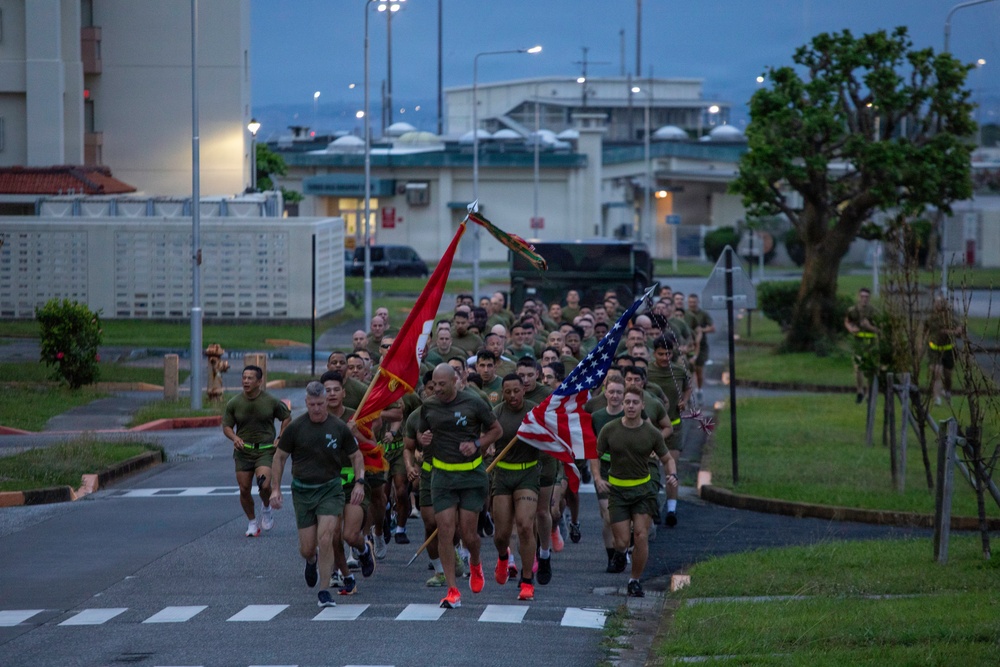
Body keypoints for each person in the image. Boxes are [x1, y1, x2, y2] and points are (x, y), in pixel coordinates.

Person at [269, 381, 366, 607]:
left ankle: (324, 590)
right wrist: (275, 488)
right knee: (307, 548)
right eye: (312, 404)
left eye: (320, 404)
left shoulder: (338, 427)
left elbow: (356, 456)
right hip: (303, 492)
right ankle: (310, 560)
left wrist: (359, 482)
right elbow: (279, 457)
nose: (317, 409)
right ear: (306, 403)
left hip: (330, 489)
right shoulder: (295, 428)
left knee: (326, 538)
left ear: (326, 402)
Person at [419, 364, 503, 609]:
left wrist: (477, 443)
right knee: (445, 530)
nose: (437, 389)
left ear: (455, 381)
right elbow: (423, 436)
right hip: (442, 477)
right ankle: (452, 590)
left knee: (469, 535)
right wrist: (425, 441)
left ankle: (475, 564)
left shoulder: (474, 402)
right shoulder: (429, 405)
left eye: (442, 384)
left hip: (471, 476)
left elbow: (496, 430)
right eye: (434, 384)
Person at [592, 386, 678, 598]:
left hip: (643, 490)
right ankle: (620, 553)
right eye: (627, 402)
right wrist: (597, 478)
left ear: (642, 405)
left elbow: (667, 459)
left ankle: (635, 580)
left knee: (641, 535)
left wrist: (672, 475)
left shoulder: (651, 433)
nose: (630, 406)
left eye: (634, 402)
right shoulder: (610, 429)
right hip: (618, 491)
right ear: (622, 405)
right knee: (621, 541)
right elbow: (594, 455)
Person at [222, 365, 292, 537]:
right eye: (244, 377)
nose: (246, 381)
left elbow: (287, 417)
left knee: (264, 485)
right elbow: (227, 426)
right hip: (243, 451)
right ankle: (252, 522)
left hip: (265, 451)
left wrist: (280, 438)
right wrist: (235, 438)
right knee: (244, 488)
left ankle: (266, 508)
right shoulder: (234, 403)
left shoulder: (271, 401)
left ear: (260, 381)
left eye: (250, 378)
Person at [489, 374, 539, 601]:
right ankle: (503, 557)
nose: (512, 396)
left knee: (525, 526)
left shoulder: (535, 412)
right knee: (501, 534)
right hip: (502, 474)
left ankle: (527, 581)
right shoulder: (496, 413)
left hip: (528, 472)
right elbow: (484, 438)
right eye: (507, 392)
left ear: (524, 390)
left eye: (516, 391)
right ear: (502, 392)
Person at [589, 377, 625, 571]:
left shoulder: (632, 415)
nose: (615, 396)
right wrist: (597, 478)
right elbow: (594, 450)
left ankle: (622, 548)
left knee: (624, 518)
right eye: (611, 392)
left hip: (627, 471)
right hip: (604, 470)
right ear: (605, 392)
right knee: (608, 516)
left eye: (619, 392)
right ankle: (613, 555)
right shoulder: (598, 417)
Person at [844, 287, 879, 404]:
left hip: (870, 343)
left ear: (869, 298)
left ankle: (869, 393)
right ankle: (860, 391)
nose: (864, 299)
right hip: (858, 342)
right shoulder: (853, 310)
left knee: (869, 369)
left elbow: (881, 329)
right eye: (862, 296)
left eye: (866, 297)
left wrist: (870, 327)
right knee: (858, 367)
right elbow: (847, 321)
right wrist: (851, 329)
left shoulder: (874, 312)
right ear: (859, 297)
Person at [926, 295, 961, 405]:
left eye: (940, 302)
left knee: (947, 375)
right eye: (936, 302)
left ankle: (947, 391)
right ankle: (936, 397)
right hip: (934, 349)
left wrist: (954, 331)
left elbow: (959, 330)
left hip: (948, 350)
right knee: (936, 372)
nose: (938, 304)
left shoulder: (950, 318)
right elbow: (927, 331)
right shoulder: (931, 318)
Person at [684, 293, 715, 404]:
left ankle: (699, 389)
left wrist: (702, 330)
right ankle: (688, 394)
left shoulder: (703, 314)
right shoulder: (684, 314)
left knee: (699, 370)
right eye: (690, 302)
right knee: (689, 371)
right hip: (688, 346)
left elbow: (712, 328)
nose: (692, 304)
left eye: (694, 302)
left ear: (698, 302)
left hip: (701, 346)